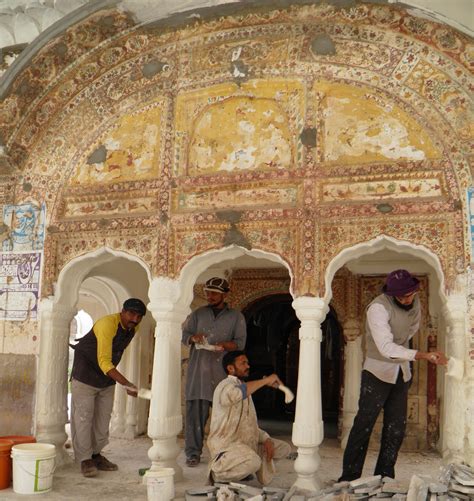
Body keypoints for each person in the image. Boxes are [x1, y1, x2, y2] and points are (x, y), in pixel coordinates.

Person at [339, 270, 448, 481]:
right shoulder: (378, 308)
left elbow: (412, 328)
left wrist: (404, 349)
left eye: (410, 295)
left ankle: (384, 476)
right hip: (376, 372)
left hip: (401, 373)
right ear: (392, 294)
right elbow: (386, 348)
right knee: (364, 424)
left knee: (396, 428)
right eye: (401, 296)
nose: (407, 299)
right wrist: (422, 355)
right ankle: (349, 478)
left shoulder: (415, 303)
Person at [70, 298, 147, 477]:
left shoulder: (133, 328)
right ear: (122, 311)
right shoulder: (107, 324)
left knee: (103, 419)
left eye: (139, 316)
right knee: (83, 418)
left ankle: (96, 454)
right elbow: (104, 361)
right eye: (131, 314)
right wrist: (127, 383)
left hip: (106, 379)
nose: (134, 319)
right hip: (85, 375)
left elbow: (114, 355)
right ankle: (84, 459)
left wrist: (118, 379)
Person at [182, 277, 247, 467]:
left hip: (222, 376)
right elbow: (184, 336)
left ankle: (223, 453)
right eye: (208, 292)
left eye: (215, 293)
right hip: (199, 375)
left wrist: (224, 345)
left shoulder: (236, 317)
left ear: (225, 294)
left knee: (226, 419)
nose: (210, 296)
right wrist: (193, 338)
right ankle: (193, 453)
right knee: (195, 417)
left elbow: (240, 343)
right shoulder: (197, 314)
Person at [207, 350, 291, 484]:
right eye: (243, 363)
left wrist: (266, 439)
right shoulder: (225, 386)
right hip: (227, 447)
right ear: (230, 368)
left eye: (248, 362)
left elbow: (249, 425)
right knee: (254, 461)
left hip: (245, 444)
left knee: (283, 448)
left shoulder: (244, 390)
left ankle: (247, 470)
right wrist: (265, 381)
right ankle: (218, 474)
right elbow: (237, 394)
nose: (248, 366)